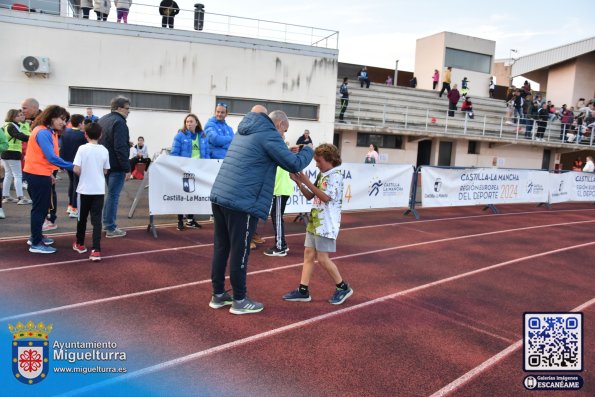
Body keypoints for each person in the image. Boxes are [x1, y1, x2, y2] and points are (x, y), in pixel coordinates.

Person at [209, 106, 313, 315]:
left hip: (221, 195)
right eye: (284, 131)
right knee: (241, 251)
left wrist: (284, 149)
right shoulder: (269, 134)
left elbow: (264, 155)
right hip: (242, 201)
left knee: (222, 248)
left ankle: (218, 295)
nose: (283, 135)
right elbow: (293, 164)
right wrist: (308, 149)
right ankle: (239, 300)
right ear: (279, 125)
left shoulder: (244, 131)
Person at [282, 143, 353, 305]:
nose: (316, 164)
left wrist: (306, 180)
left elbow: (326, 197)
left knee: (322, 258)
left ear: (329, 160)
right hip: (315, 221)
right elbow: (310, 196)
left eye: (319, 161)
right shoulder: (323, 174)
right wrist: (299, 183)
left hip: (327, 224)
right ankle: (303, 290)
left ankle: (343, 287)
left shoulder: (335, 175)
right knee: (308, 253)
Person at [23, 105, 74, 254]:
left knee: (42, 208)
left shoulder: (48, 132)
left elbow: (44, 157)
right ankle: (36, 242)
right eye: (61, 119)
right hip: (37, 175)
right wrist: (73, 166)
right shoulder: (43, 132)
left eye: (65, 120)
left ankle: (36, 237)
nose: (63, 123)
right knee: (40, 209)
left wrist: (50, 173)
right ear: (51, 117)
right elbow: (51, 157)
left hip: (40, 173)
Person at [72, 122, 110, 261]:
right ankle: (96, 249)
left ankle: (80, 244)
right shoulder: (104, 150)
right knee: (96, 220)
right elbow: (106, 170)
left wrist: (83, 173)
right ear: (100, 135)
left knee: (81, 218)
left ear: (85, 134)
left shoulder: (82, 149)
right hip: (99, 190)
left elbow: (76, 169)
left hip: (84, 190)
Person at [98, 96, 131, 238]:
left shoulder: (103, 119)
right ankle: (110, 227)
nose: (129, 111)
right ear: (119, 108)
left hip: (104, 164)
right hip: (116, 166)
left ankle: (106, 224)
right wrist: (127, 168)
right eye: (127, 108)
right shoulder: (120, 122)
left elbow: (104, 141)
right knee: (113, 196)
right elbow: (119, 147)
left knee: (109, 195)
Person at [170, 113, 208, 230]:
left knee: (194, 195)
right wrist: (177, 166)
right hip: (184, 169)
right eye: (187, 122)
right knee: (183, 195)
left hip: (198, 170)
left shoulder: (202, 136)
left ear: (197, 123)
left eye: (191, 121)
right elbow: (174, 153)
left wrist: (206, 165)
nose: (189, 124)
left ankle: (190, 220)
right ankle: (180, 220)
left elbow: (206, 153)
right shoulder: (180, 136)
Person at [264, 146, 294, 257]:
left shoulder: (277, 155)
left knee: (277, 217)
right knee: (276, 216)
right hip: (281, 189)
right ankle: (282, 244)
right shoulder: (281, 155)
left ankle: (280, 246)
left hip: (281, 190)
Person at [59, 114, 87, 218]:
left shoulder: (65, 133)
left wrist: (61, 164)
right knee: (77, 186)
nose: (84, 125)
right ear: (80, 124)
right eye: (84, 123)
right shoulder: (82, 135)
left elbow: (62, 149)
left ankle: (71, 205)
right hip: (78, 164)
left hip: (67, 163)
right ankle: (75, 208)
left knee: (72, 184)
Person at [2, 109, 31, 205]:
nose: (21, 117)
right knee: (17, 175)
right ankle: (21, 197)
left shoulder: (5, 125)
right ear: (13, 117)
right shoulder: (12, 126)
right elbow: (20, 136)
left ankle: (6, 196)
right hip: (13, 153)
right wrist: (32, 137)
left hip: (5, 152)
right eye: (18, 115)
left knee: (8, 174)